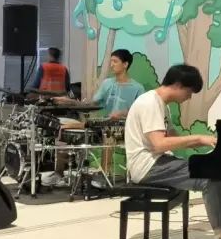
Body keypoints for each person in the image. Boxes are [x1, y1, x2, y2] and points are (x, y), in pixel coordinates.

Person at [124, 64, 221, 239]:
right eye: (189, 92)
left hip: (158, 162)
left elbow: (173, 138)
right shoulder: (150, 103)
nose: (189, 97)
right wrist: (198, 139)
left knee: (217, 171)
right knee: (209, 179)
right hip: (147, 166)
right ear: (178, 85)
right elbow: (159, 144)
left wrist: (214, 148)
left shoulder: (160, 105)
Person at [43, 50, 145, 186]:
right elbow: (92, 104)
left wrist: (124, 113)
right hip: (103, 124)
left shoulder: (137, 87)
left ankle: (104, 175)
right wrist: (70, 102)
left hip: (124, 128)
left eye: (115, 61)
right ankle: (59, 173)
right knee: (63, 127)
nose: (111, 65)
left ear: (125, 64)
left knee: (108, 134)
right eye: (111, 61)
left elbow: (141, 112)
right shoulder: (107, 83)